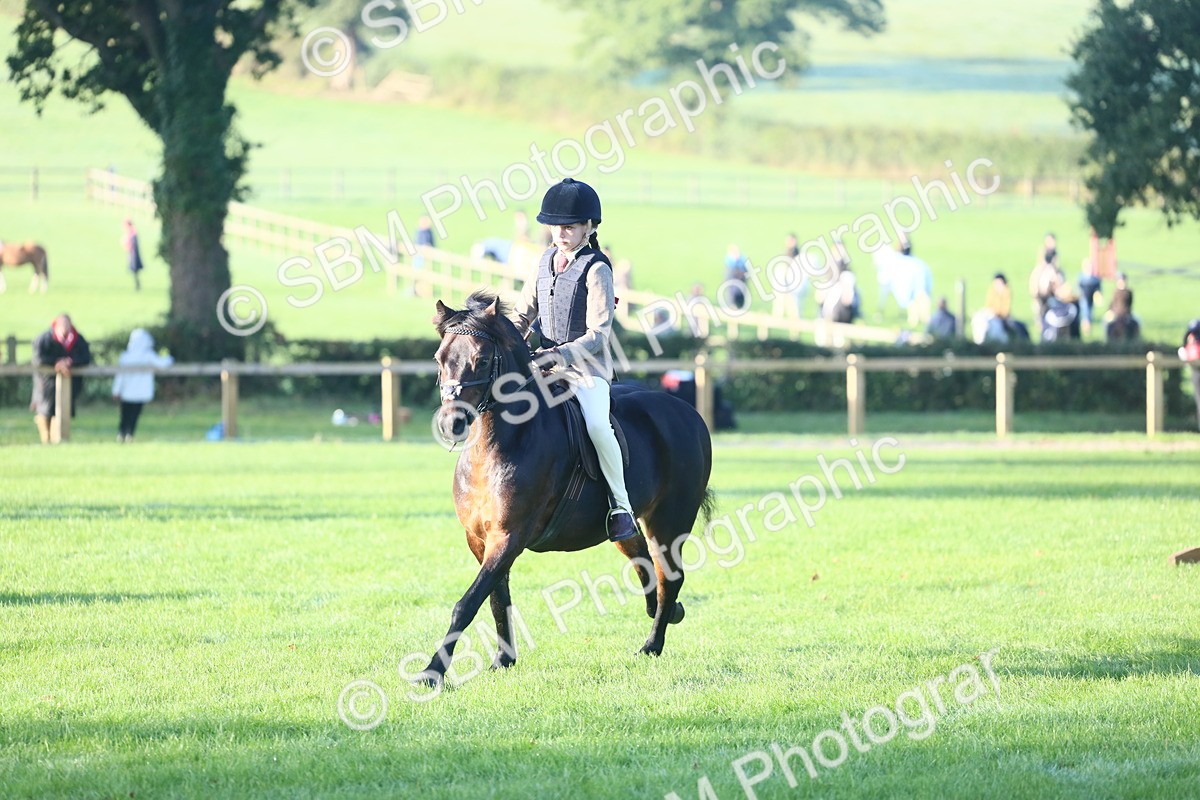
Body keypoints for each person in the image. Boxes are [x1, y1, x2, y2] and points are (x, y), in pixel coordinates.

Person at [512, 178, 637, 543]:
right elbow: (523, 314)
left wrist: (558, 354)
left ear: (589, 227)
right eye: (556, 226)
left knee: (598, 425)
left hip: (586, 370)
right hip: (543, 366)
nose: (560, 233)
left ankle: (621, 505)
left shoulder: (598, 269)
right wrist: (506, 339)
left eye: (569, 227)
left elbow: (598, 335)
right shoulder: (545, 261)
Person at [30, 314, 92, 444]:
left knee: (62, 412)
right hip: (46, 384)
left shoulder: (78, 340)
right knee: (45, 411)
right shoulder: (45, 338)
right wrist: (56, 363)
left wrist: (70, 362)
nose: (65, 328)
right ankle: (46, 440)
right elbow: (38, 359)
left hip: (70, 384)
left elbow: (86, 358)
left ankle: (58, 439)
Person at [111, 328, 174, 442]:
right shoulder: (147, 356)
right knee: (134, 415)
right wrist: (170, 358)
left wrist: (116, 391)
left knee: (125, 415)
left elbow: (119, 377)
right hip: (140, 394)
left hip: (126, 393)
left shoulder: (125, 356)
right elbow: (162, 364)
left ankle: (121, 433)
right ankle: (129, 434)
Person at [1105, 272, 1139, 340]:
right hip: (1116, 312)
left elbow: (1129, 303)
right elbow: (1112, 302)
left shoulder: (1128, 291)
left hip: (1125, 313)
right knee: (1106, 322)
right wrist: (1110, 311)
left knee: (1136, 322)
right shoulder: (1115, 291)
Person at [1077, 255, 1102, 336]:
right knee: (1086, 313)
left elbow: (1099, 289)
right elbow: (1078, 288)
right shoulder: (1081, 277)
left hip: (1092, 298)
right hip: (1083, 298)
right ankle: (1085, 329)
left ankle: (1088, 330)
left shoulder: (1095, 278)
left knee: (1090, 313)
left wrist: (1098, 295)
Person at [723, 244, 748, 309]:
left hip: (741, 285)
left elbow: (746, 274)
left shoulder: (742, 261)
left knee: (741, 301)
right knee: (732, 301)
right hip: (733, 286)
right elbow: (728, 278)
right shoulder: (729, 263)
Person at [123, 219, 144, 291]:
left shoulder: (133, 233)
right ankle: (137, 286)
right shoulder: (131, 232)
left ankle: (137, 286)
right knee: (134, 272)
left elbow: (133, 245)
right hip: (132, 254)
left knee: (135, 271)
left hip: (134, 255)